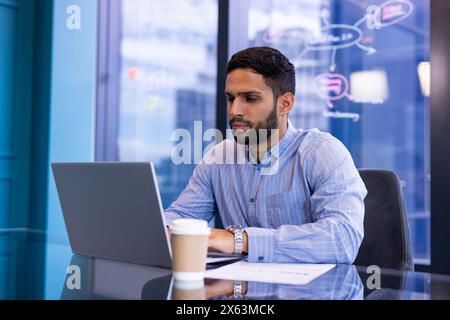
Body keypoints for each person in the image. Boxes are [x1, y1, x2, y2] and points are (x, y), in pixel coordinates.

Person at [165, 47, 367, 264]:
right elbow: (179, 219)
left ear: (285, 104)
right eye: (230, 98)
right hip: (238, 289)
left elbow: (344, 239)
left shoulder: (321, 153)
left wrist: (240, 240)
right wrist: (159, 231)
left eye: (250, 98)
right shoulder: (218, 158)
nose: (235, 110)